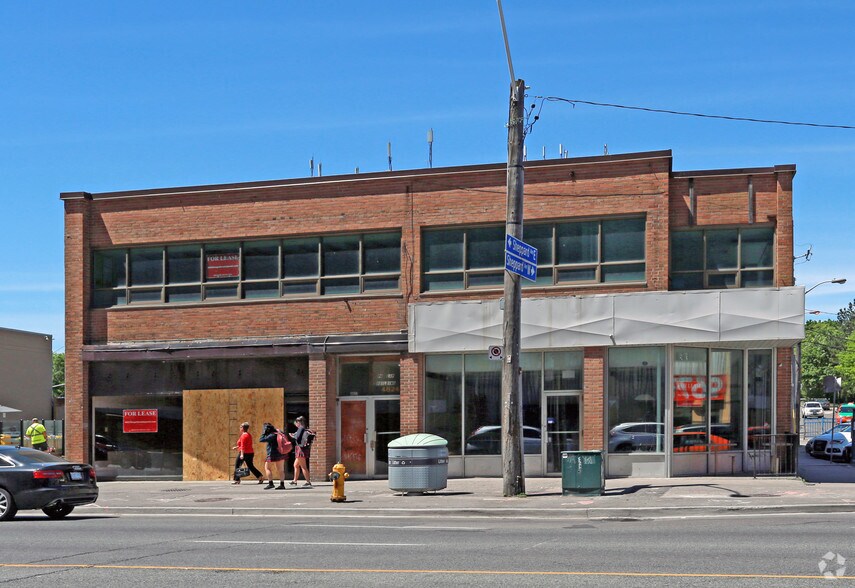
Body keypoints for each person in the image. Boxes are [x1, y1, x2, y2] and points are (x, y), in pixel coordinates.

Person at [258, 422, 286, 490]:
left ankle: (271, 483)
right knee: (281, 470)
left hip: (272, 454)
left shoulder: (271, 435)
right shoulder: (278, 433)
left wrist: (263, 433)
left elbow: (261, 439)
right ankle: (282, 484)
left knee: (267, 468)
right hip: (281, 453)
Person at [289, 416, 312, 487]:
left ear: (299, 422)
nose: (295, 423)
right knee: (296, 465)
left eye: (296, 422)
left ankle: (308, 482)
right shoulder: (304, 430)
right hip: (301, 449)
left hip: (300, 449)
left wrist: (292, 436)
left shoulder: (301, 429)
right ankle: (294, 481)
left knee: (303, 466)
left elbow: (298, 438)